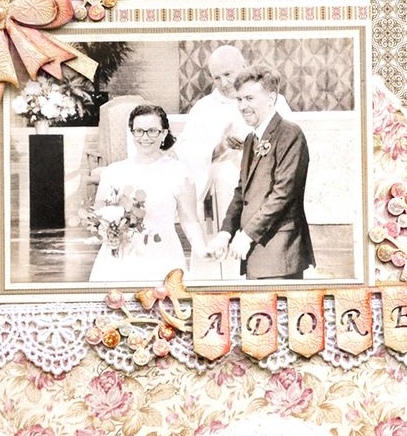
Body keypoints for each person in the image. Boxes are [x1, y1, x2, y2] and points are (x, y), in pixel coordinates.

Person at [207, 66, 315, 280]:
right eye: (239, 100)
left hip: (280, 253)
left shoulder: (290, 134)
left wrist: (246, 235)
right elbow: (241, 193)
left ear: (271, 98)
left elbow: (283, 194)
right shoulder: (250, 140)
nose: (243, 106)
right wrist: (225, 233)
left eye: (249, 98)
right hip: (256, 254)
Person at [175, 44, 292, 226]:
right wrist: (218, 148)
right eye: (217, 78)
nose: (224, 83)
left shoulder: (273, 100)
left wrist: (253, 147)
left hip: (265, 188)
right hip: (221, 192)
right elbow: (184, 150)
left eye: (228, 74)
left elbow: (290, 143)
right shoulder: (204, 108)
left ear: (243, 67)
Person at [89, 104, 207, 283]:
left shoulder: (179, 172)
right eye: (139, 131)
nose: (145, 137)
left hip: (162, 255)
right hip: (120, 258)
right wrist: (107, 235)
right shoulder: (113, 172)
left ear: (164, 133)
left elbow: (190, 221)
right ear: (132, 133)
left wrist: (203, 251)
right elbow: (98, 217)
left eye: (152, 131)